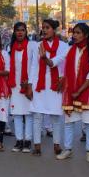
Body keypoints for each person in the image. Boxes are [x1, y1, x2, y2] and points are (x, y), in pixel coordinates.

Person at [28, 19, 68, 157]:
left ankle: (57, 145)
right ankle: (37, 146)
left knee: (55, 116)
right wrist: (30, 85)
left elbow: (55, 63)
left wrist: (45, 58)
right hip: (39, 84)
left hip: (55, 84)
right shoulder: (37, 45)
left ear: (54, 29)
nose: (44, 30)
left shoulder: (63, 46)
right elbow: (34, 66)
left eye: (47, 28)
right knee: (37, 116)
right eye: (43, 28)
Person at [60, 23, 89, 162]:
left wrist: (79, 91)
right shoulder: (70, 50)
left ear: (86, 35)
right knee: (69, 121)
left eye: (78, 33)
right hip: (71, 92)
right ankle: (68, 149)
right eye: (74, 32)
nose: (74, 35)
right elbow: (59, 62)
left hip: (88, 93)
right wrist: (47, 59)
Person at [7, 22, 36, 153]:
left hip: (28, 84)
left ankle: (28, 141)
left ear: (26, 32)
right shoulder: (11, 47)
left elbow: (34, 66)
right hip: (15, 85)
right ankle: (19, 140)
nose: (20, 32)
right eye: (17, 30)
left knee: (29, 114)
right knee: (17, 114)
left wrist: (29, 83)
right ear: (14, 32)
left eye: (22, 30)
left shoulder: (31, 46)